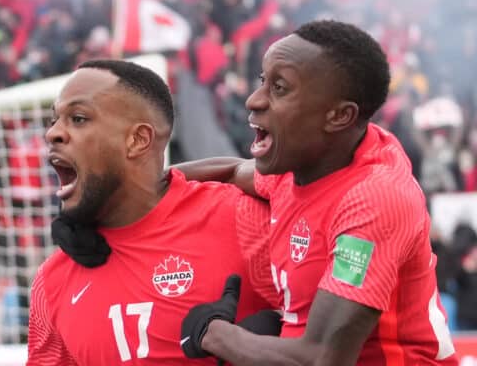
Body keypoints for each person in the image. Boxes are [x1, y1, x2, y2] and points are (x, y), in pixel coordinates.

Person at [178, 20, 458, 365]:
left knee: (251, 335)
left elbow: (322, 359)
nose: (254, 100)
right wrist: (146, 186)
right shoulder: (300, 165)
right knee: (261, 329)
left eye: (279, 88)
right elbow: (234, 170)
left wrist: (216, 333)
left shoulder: (375, 197)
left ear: (339, 116)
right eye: (263, 81)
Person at [26, 59, 279, 365]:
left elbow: (335, 341)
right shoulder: (52, 281)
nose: (53, 133)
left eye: (78, 118)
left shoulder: (241, 219)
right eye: (54, 120)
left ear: (138, 140)